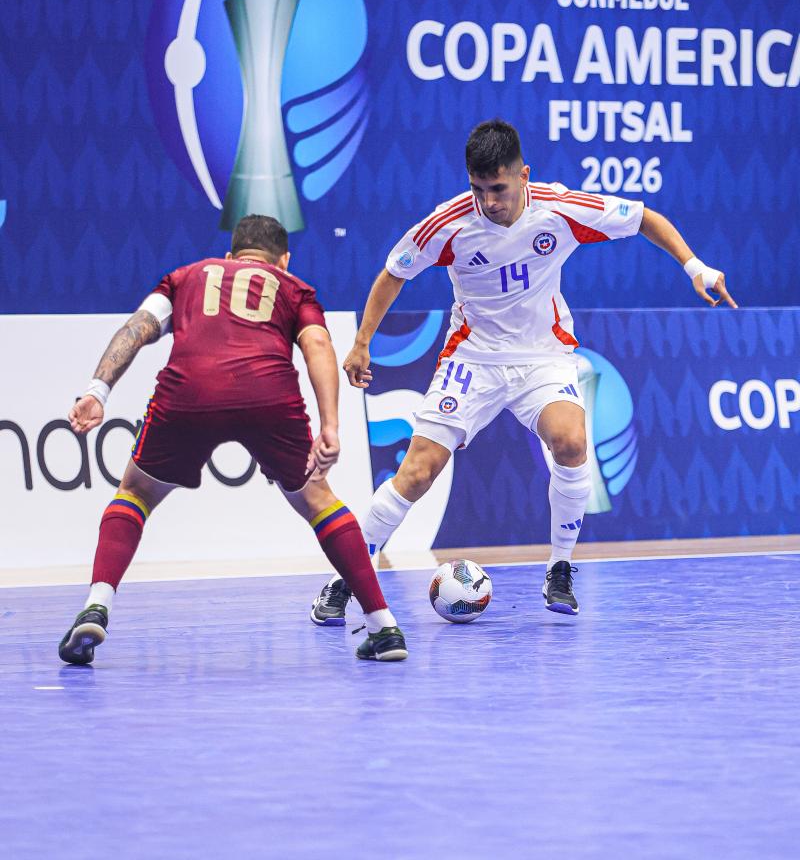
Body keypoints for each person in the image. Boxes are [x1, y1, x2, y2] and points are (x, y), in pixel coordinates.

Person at [311, 119, 737, 621]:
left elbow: (645, 218)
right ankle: (347, 577)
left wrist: (696, 267)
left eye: (498, 188)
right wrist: (361, 343)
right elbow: (393, 273)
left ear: (523, 176)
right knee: (418, 470)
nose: (489, 202)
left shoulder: (559, 210)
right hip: (473, 357)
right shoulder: (447, 224)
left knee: (572, 442)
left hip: (543, 356)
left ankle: (559, 569)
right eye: (478, 189)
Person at [59, 215, 407, 665]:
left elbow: (137, 328)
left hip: (190, 390)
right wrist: (331, 425)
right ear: (283, 260)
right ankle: (384, 627)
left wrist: (97, 391)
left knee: (136, 491)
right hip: (269, 393)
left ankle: (97, 605)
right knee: (319, 500)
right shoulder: (292, 286)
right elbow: (318, 346)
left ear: (229, 257)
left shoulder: (186, 276)